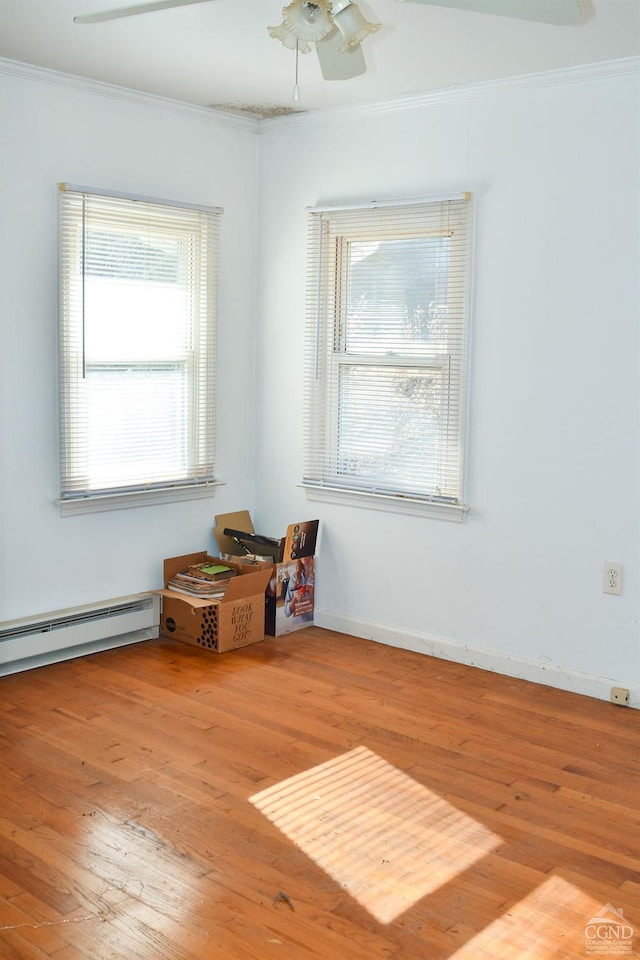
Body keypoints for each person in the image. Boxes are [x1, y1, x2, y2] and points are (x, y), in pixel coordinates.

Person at [284, 555, 314, 621]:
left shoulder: (318, 573)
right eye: (302, 554)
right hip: (298, 623)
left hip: (314, 621)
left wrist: (312, 592)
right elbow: (286, 612)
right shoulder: (294, 578)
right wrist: (295, 599)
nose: (304, 556)